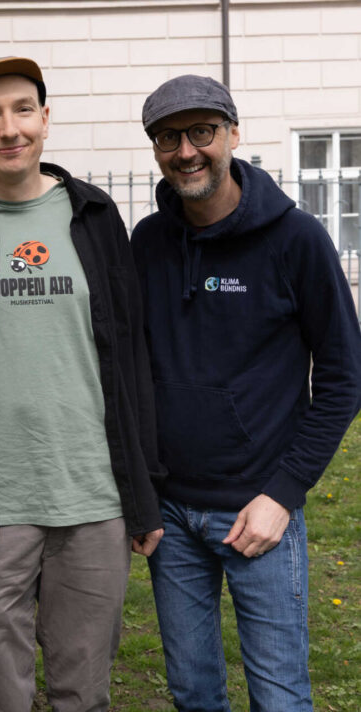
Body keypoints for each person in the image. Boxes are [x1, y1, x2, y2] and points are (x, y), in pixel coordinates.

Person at [0, 56, 165, 712]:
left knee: (84, 691)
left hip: (92, 498)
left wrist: (143, 490)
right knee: (0, 695)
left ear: (46, 120)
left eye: (22, 110)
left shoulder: (96, 217)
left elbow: (130, 359)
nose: (8, 128)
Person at [132, 74, 361, 711]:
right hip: (171, 517)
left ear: (233, 134)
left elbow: (345, 378)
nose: (186, 151)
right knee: (193, 694)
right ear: (156, 148)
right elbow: (129, 373)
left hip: (260, 512)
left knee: (281, 697)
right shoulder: (147, 244)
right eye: (169, 137)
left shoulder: (298, 240)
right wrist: (142, 491)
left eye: (202, 132)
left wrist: (283, 495)